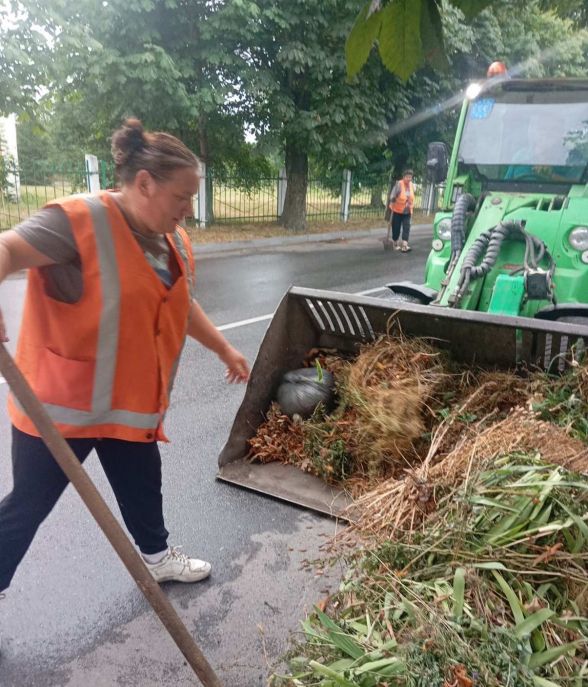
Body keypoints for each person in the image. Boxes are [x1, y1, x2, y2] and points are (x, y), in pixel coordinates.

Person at [0, 118, 250, 597]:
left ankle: (157, 559)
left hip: (127, 407)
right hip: (60, 410)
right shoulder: (77, 221)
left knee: (143, 487)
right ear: (145, 183)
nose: (189, 210)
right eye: (182, 197)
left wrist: (223, 347)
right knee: (27, 506)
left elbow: (180, 303)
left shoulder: (172, 240)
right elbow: (7, 247)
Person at [388, 169, 415, 252]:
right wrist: (393, 198)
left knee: (407, 227)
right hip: (397, 210)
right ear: (404, 177)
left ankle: (404, 245)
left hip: (407, 210)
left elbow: (412, 196)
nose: (409, 179)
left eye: (410, 177)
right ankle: (395, 243)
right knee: (396, 228)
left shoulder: (412, 185)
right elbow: (392, 195)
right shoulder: (399, 184)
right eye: (407, 177)